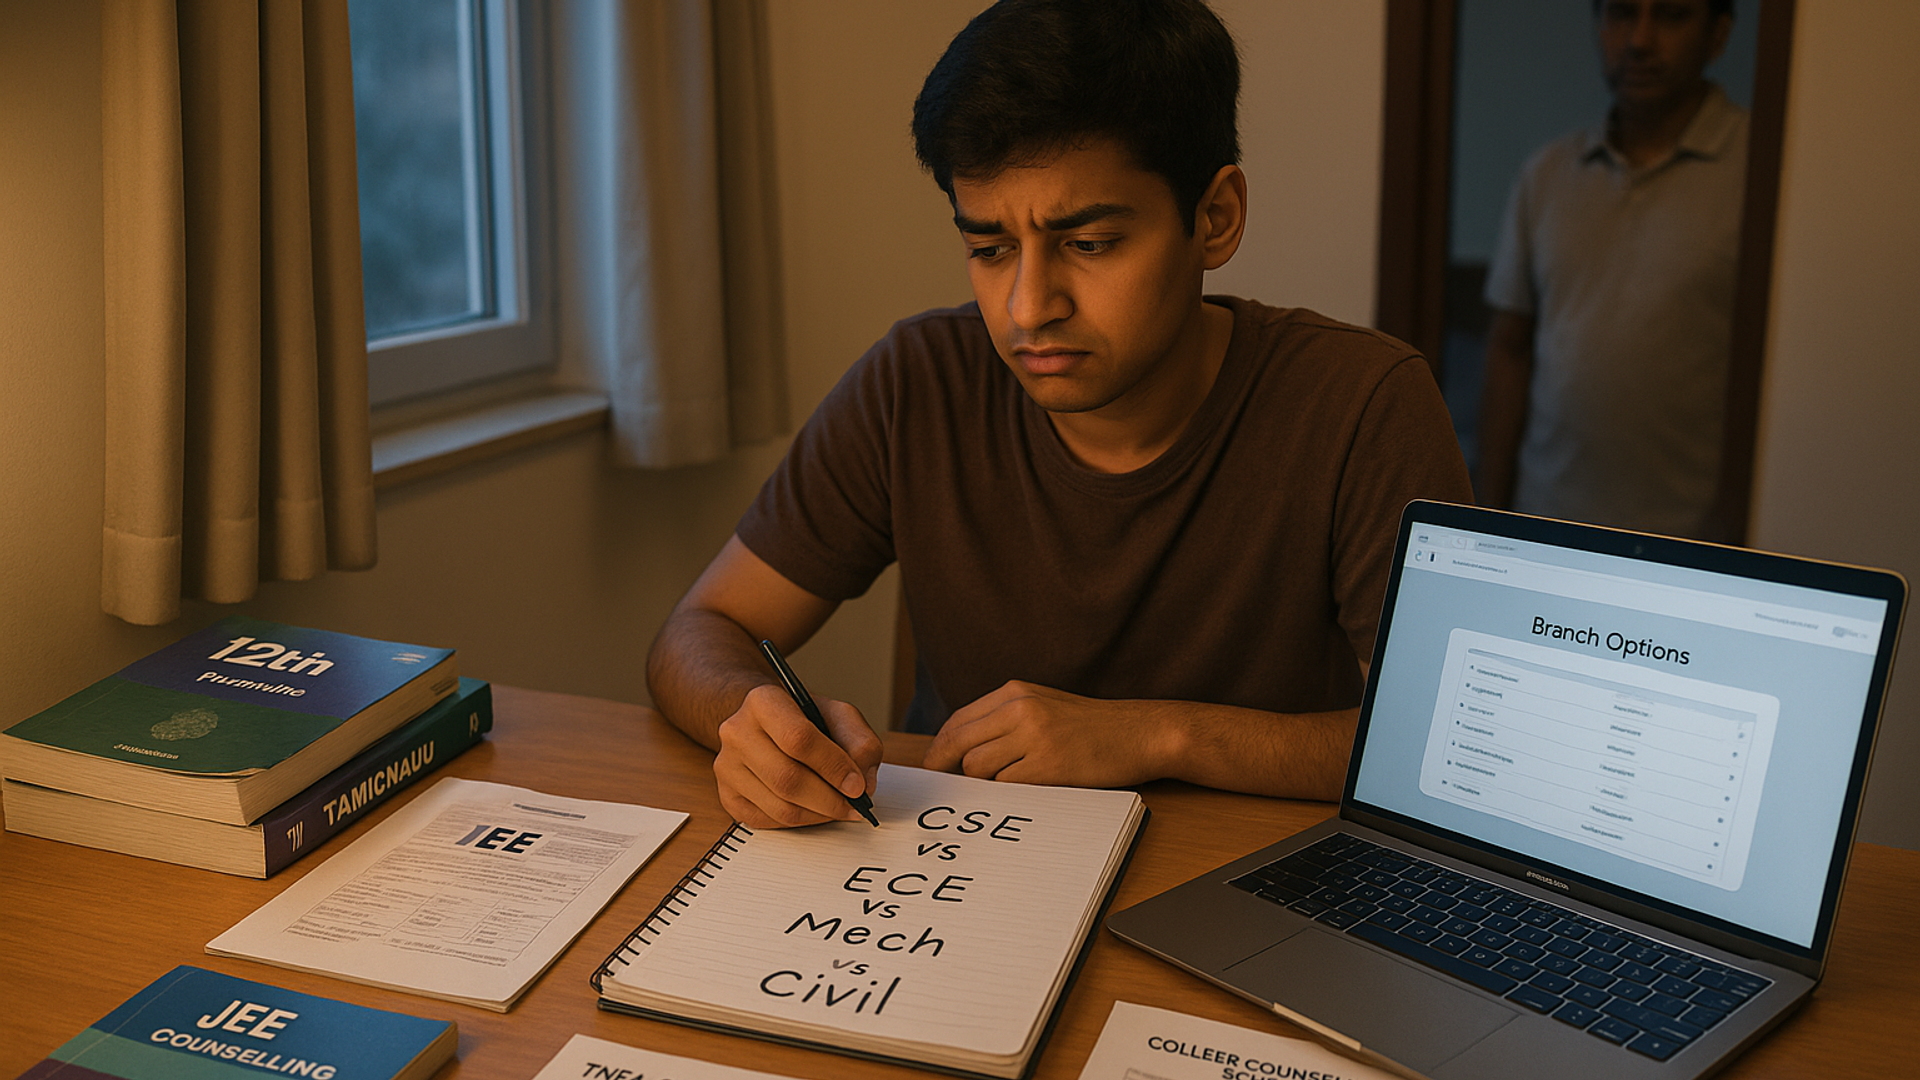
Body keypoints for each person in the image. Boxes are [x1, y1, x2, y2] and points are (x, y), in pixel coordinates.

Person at [646, 0, 1472, 828]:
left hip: (1240, 891)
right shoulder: (919, 382)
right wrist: (749, 716)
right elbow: (701, 630)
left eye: (1090, 244)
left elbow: (1447, 747)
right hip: (961, 876)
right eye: (989, 250)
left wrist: (1160, 734)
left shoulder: (1362, 403)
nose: (1028, 307)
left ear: (1215, 218)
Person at [1478, 0, 1747, 540]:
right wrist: (1486, 517)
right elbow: (1510, 348)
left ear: (1718, 34)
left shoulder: (1761, 170)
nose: (1640, 40)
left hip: (1693, 545)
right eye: (1622, 13)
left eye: (1671, 15)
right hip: (1545, 528)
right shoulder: (1547, 175)